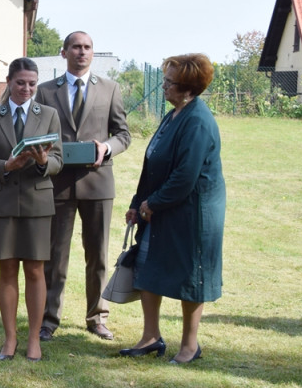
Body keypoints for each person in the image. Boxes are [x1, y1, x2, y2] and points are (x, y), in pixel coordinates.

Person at [119, 53, 224, 364]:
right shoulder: (174, 114)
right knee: (148, 267)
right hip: (160, 207)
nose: (163, 86)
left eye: (169, 82)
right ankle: (151, 338)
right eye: (164, 79)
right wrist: (138, 203)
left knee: (192, 276)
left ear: (188, 88)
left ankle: (190, 346)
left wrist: (154, 203)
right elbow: (152, 162)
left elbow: (185, 176)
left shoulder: (198, 121)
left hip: (193, 213)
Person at [35, 31, 131, 342]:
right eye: (76, 47)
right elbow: (37, 130)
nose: (82, 52)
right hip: (57, 183)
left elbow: (123, 134)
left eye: (87, 47)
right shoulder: (46, 91)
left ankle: (97, 317)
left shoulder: (110, 89)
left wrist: (106, 147)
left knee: (98, 256)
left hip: (98, 183)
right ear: (63, 53)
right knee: (54, 256)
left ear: (93, 53)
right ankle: (48, 319)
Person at [0, 58, 63, 361]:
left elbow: (59, 160)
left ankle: (34, 339)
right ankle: (10, 339)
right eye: (21, 82)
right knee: (7, 269)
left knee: (36, 270)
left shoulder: (49, 115)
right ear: (9, 82)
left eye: (32, 84)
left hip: (38, 202)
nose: (26, 89)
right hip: (2, 202)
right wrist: (6, 166)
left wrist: (43, 163)